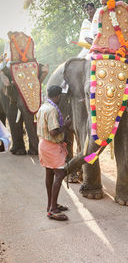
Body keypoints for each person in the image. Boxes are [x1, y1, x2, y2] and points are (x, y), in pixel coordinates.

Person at [37, 85, 71, 221]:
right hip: (51, 145)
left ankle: (51, 204)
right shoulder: (52, 110)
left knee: (50, 173)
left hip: (44, 144)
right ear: (58, 96)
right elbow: (53, 131)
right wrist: (66, 126)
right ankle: (53, 210)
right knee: (60, 173)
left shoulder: (43, 107)